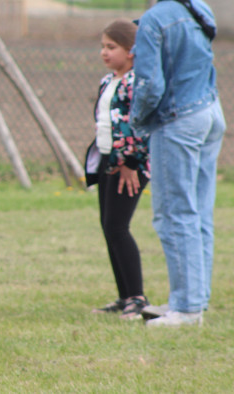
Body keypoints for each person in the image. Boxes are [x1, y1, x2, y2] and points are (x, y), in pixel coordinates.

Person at [130, 0, 225, 328]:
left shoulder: (155, 19)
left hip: (177, 121)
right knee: (199, 212)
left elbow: (150, 85)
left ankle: (185, 308)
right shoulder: (200, 7)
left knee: (174, 215)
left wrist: (136, 121)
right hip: (209, 113)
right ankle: (192, 302)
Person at [87, 20, 150, 319]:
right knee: (108, 226)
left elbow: (139, 125)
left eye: (111, 47)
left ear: (132, 51)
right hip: (106, 159)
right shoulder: (108, 80)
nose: (104, 52)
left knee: (117, 226)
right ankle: (124, 296)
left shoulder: (137, 82)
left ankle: (137, 298)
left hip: (128, 165)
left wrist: (131, 164)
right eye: (103, 46)